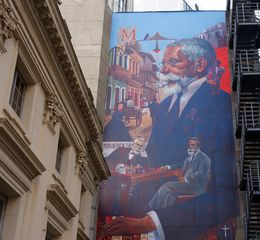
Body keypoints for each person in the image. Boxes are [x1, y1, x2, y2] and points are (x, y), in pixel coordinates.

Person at [99, 38, 238, 239]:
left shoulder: (220, 103)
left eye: (173, 63)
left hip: (182, 222)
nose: (163, 71)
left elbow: (227, 195)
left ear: (199, 65)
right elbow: (156, 156)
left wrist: (153, 222)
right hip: (150, 207)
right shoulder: (165, 105)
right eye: (164, 63)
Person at [148, 137, 210, 210]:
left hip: (195, 187)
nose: (190, 147)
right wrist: (168, 167)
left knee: (166, 186)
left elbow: (201, 174)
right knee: (168, 194)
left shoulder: (204, 158)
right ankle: (164, 213)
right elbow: (180, 164)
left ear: (198, 146)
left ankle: (150, 209)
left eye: (192, 145)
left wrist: (186, 178)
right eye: (189, 145)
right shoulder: (189, 156)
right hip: (186, 185)